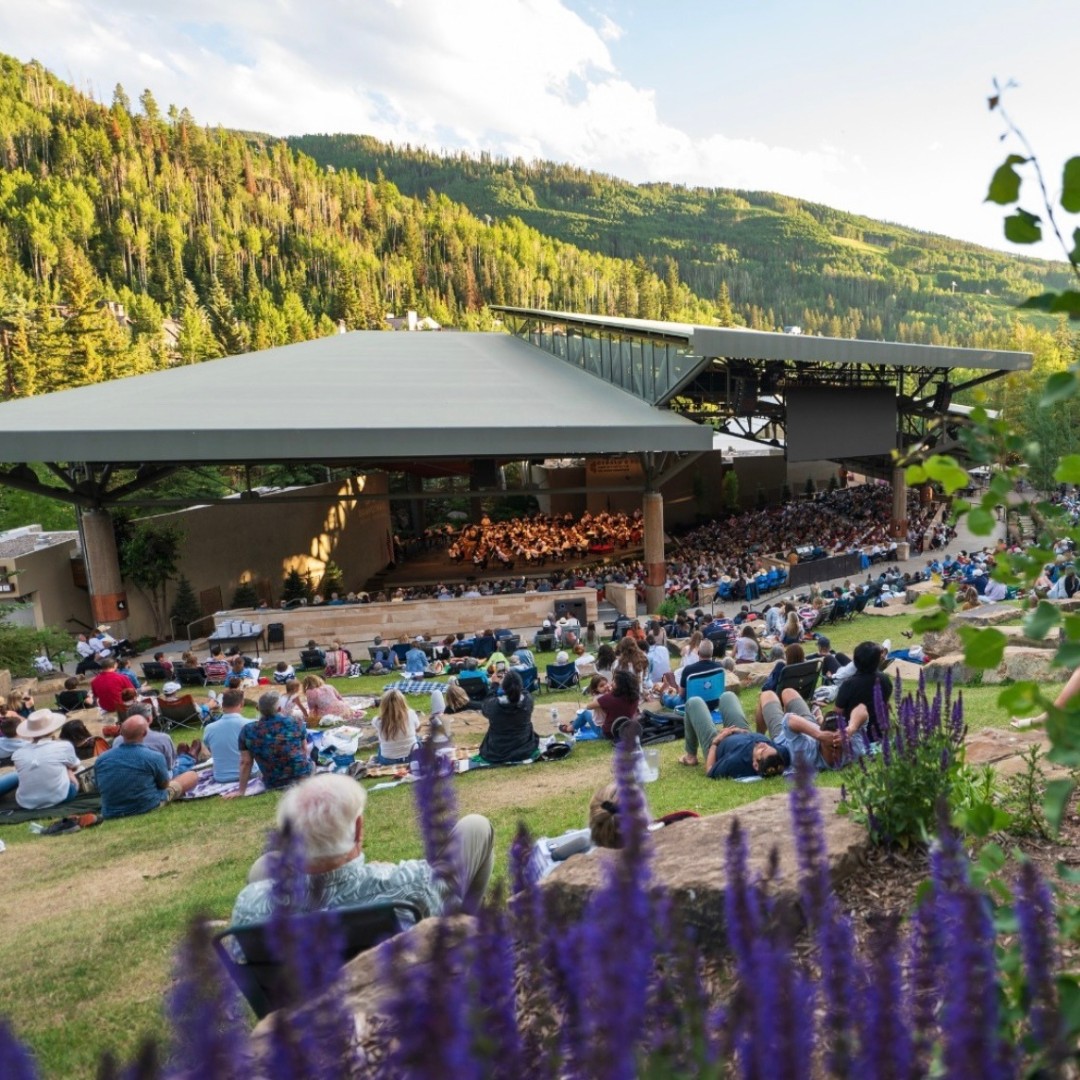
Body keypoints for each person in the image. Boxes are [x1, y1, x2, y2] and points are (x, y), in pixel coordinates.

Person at [231, 774, 495, 927]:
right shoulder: (416, 884)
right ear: (358, 829)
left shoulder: (249, 905)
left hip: (300, 1014)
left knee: (264, 865)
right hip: (403, 1009)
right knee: (476, 826)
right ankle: (468, 933)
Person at [94, 716, 199, 818]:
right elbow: (164, 785)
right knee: (192, 775)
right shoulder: (154, 756)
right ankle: (188, 758)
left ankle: (186, 757)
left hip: (110, 811)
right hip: (146, 805)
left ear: (121, 733)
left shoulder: (101, 759)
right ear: (144, 733)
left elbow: (99, 786)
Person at [225, 691, 313, 798]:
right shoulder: (296, 723)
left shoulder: (248, 730)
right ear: (279, 709)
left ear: (258, 708)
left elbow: (246, 762)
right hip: (302, 778)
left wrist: (241, 791)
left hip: (273, 782)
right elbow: (304, 750)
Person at [758, 688, 867, 771]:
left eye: (839, 747)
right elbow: (789, 719)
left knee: (767, 695)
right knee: (788, 691)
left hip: (783, 737)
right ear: (821, 743)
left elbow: (861, 708)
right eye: (830, 747)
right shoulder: (855, 748)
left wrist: (850, 729)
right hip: (811, 726)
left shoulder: (804, 753)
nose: (835, 754)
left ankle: (758, 737)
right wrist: (819, 735)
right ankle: (758, 736)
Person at [5, 710, 80, 807]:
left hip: (26, 802)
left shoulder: (18, 754)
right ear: (52, 728)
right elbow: (75, 766)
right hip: (62, 796)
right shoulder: (63, 746)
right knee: (67, 766)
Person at [835, 641, 894, 742]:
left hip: (854, 734)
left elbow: (837, 713)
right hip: (879, 732)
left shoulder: (849, 685)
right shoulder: (885, 680)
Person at [477, 670, 540, 764]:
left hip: (497, 752)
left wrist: (494, 684)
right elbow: (523, 691)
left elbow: (486, 704)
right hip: (525, 749)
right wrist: (513, 679)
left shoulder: (493, 705)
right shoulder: (528, 700)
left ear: (504, 687)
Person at [203, 689, 254, 783]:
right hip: (250, 774)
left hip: (221, 776)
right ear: (242, 704)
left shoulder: (209, 728)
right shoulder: (250, 725)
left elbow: (211, 751)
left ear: (222, 705)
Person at [372, 689, 420, 765]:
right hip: (412, 757)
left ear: (383, 705)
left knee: (381, 744)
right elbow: (417, 728)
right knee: (417, 738)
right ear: (403, 702)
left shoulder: (377, 721)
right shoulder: (411, 714)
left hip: (388, 760)